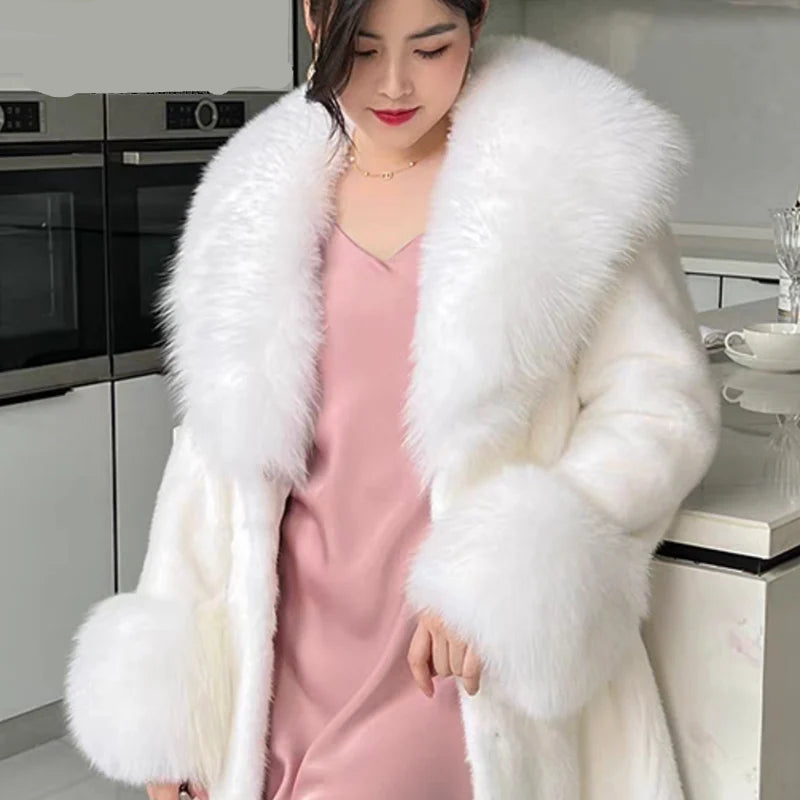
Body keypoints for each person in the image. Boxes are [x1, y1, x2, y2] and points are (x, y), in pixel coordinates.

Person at [63, 0, 722, 797]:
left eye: (430, 48)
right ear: (314, 23)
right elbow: (210, 461)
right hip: (278, 663)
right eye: (364, 50)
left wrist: (501, 577)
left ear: (476, 22)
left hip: (443, 665)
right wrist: (176, 718)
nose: (395, 84)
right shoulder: (254, 193)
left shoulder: (568, 170)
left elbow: (661, 408)